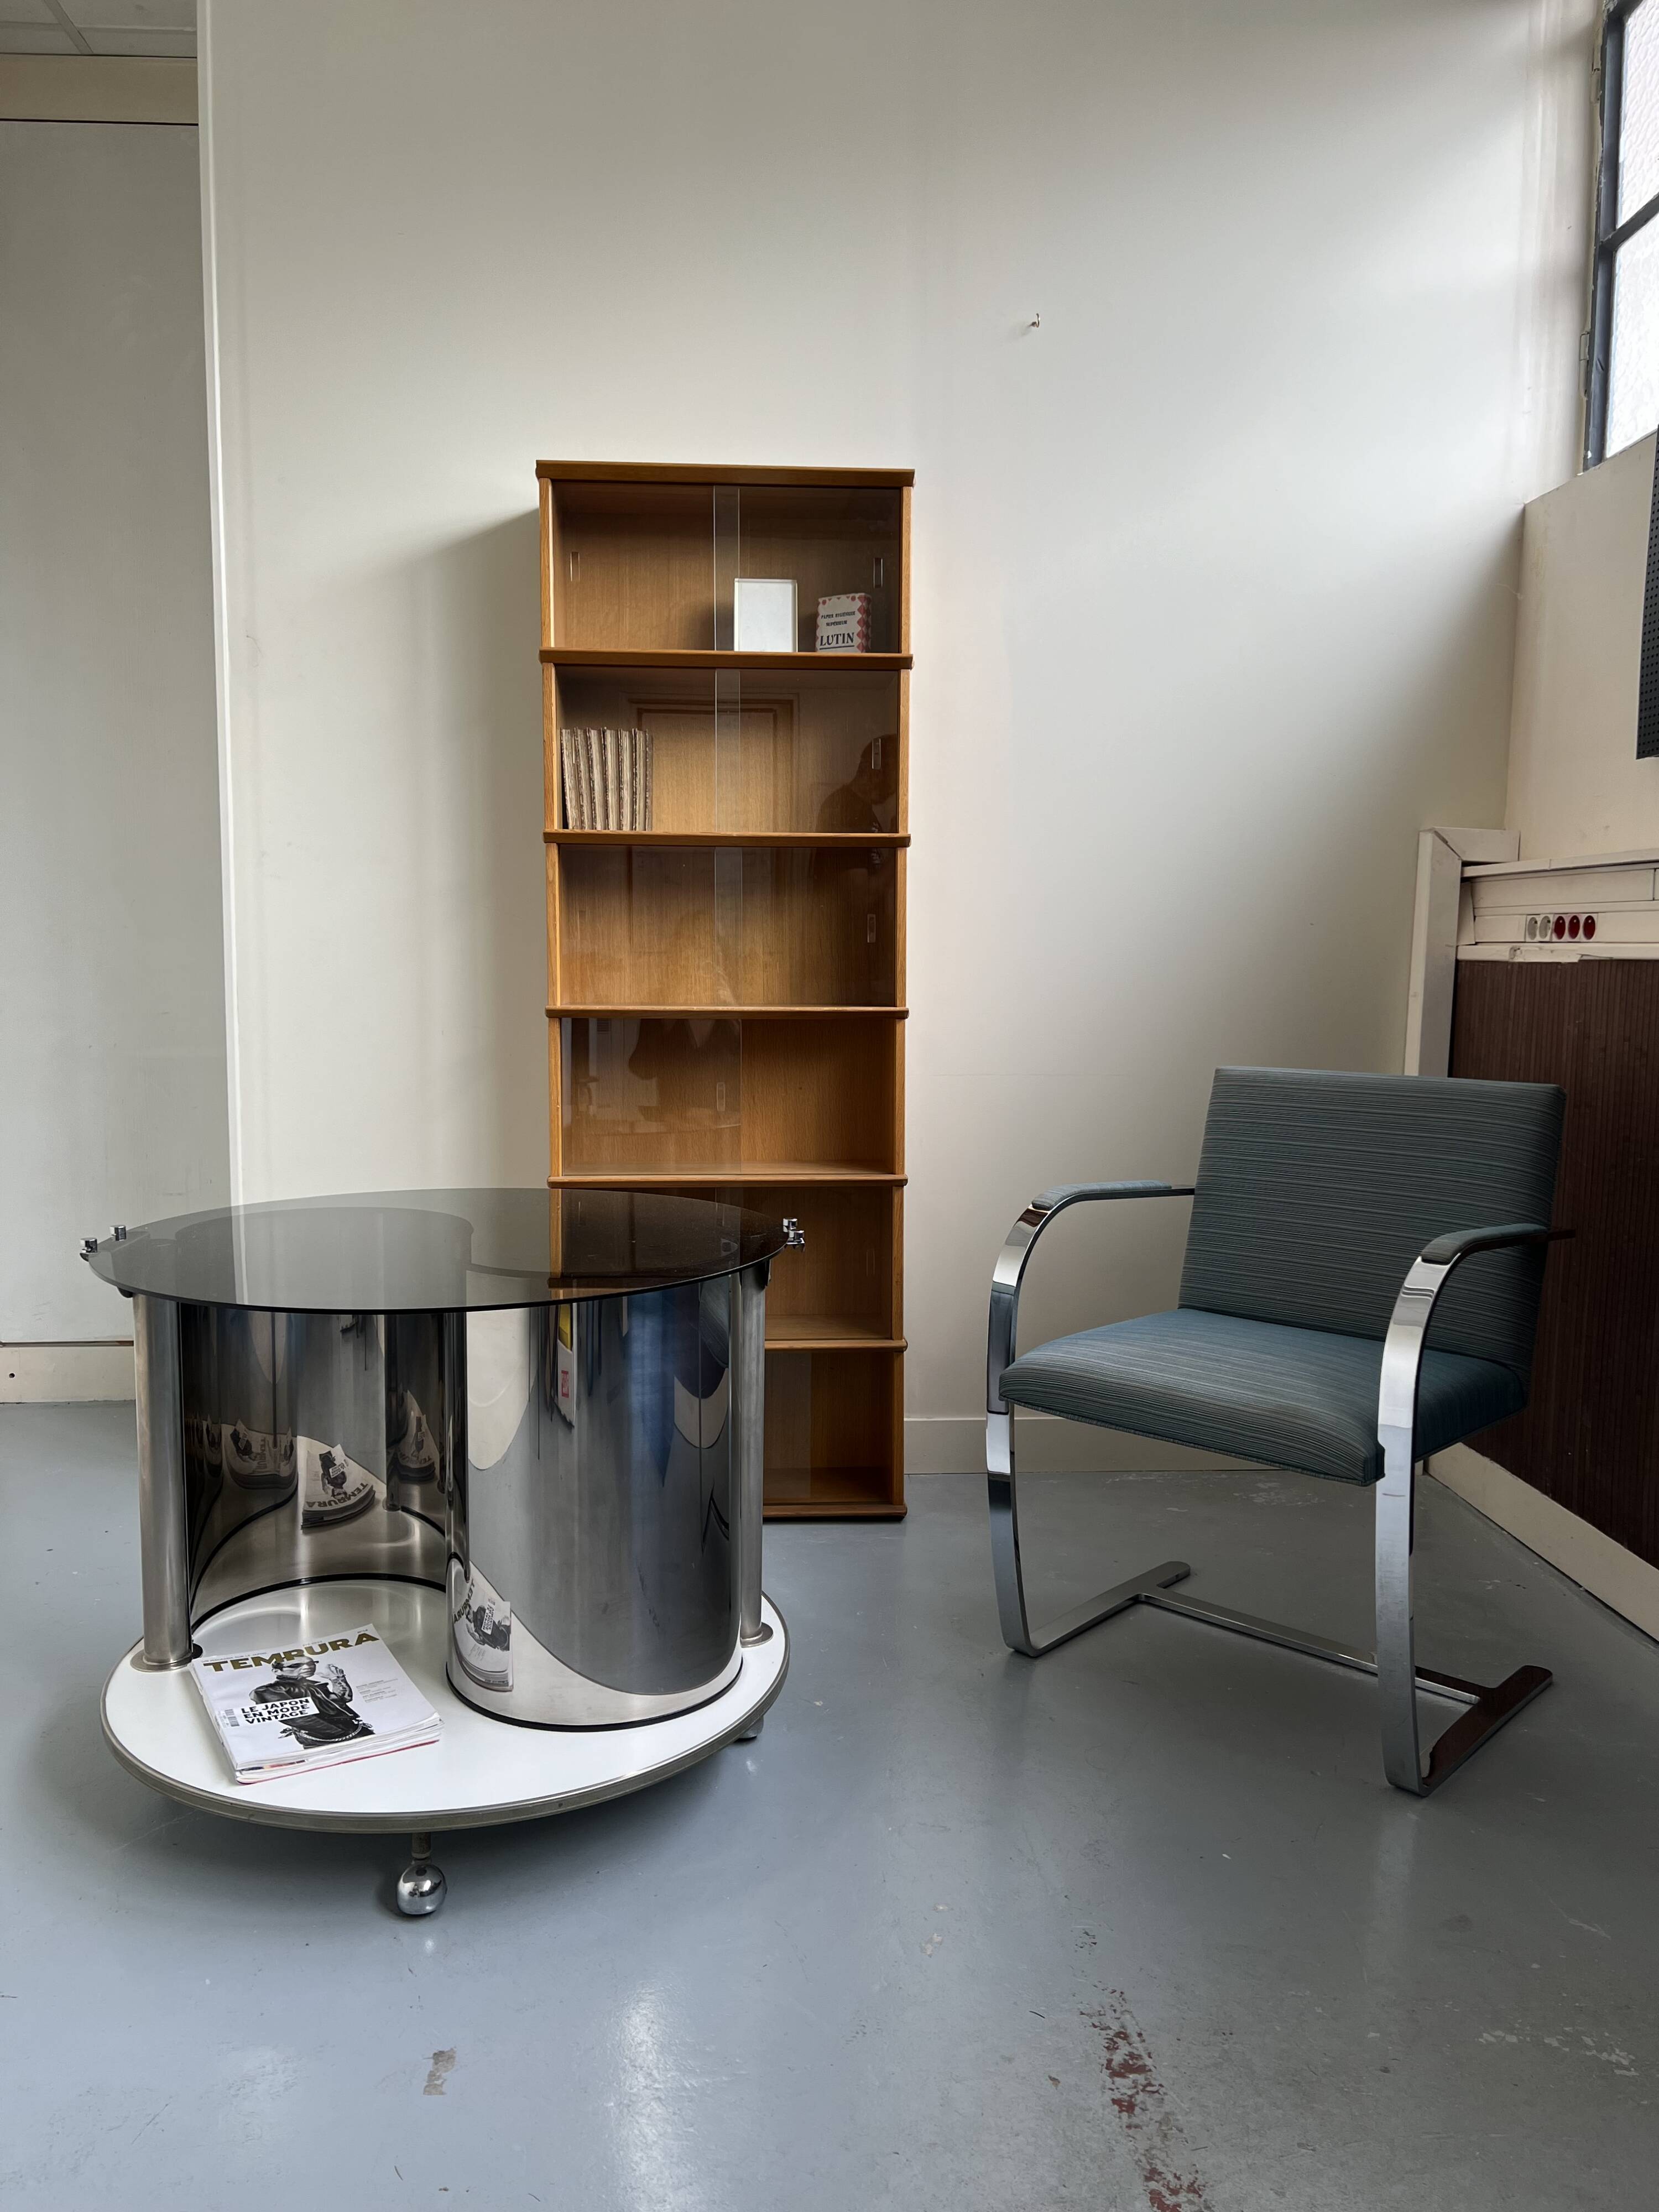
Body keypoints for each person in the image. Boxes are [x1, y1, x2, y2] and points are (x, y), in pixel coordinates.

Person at [251, 1654, 371, 1750]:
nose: (308, 1667)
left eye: (311, 1664)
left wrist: (337, 1679)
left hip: (354, 1730)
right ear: (278, 1671)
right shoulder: (268, 1691)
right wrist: (339, 1733)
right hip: (324, 1739)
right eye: (296, 1665)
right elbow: (297, 1718)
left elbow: (342, 1700)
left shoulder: (313, 1685)